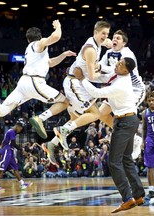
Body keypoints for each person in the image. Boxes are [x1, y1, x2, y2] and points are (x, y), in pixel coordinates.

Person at [0, 19, 76, 140]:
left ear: (28, 39)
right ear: (39, 37)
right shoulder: (38, 44)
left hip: (24, 84)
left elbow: (50, 63)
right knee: (65, 102)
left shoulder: (31, 50)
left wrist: (63, 55)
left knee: (1, 111)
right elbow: (56, 37)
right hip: (35, 82)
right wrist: (58, 27)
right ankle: (40, 118)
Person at [74, 57, 145, 213]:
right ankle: (138, 195)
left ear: (126, 70)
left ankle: (127, 198)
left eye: (120, 64)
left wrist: (82, 79)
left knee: (113, 161)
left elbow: (97, 92)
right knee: (126, 159)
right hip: (127, 120)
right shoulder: (118, 75)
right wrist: (91, 70)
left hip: (126, 121)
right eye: (118, 62)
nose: (117, 64)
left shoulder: (121, 84)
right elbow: (102, 76)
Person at [42, 21, 111, 161]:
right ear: (95, 32)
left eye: (107, 34)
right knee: (95, 113)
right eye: (103, 33)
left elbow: (104, 42)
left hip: (75, 83)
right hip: (75, 83)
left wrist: (107, 42)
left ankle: (51, 143)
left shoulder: (96, 42)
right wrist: (105, 75)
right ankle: (62, 130)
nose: (105, 36)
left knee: (75, 120)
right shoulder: (91, 50)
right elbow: (92, 76)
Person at [96, 29, 146, 128]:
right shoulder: (109, 52)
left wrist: (100, 68)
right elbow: (99, 66)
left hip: (133, 89)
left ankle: (134, 137)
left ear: (124, 43)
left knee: (124, 116)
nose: (115, 39)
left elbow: (114, 70)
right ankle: (118, 131)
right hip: (118, 88)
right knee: (100, 114)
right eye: (114, 38)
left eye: (118, 38)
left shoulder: (127, 54)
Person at [0, 118, 32, 191]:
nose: (21, 130)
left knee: (15, 168)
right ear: (18, 126)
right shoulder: (11, 131)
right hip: (7, 150)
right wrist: (21, 149)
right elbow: (12, 143)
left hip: (10, 150)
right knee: (1, 168)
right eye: (21, 128)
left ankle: (22, 184)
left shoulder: (12, 132)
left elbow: (5, 142)